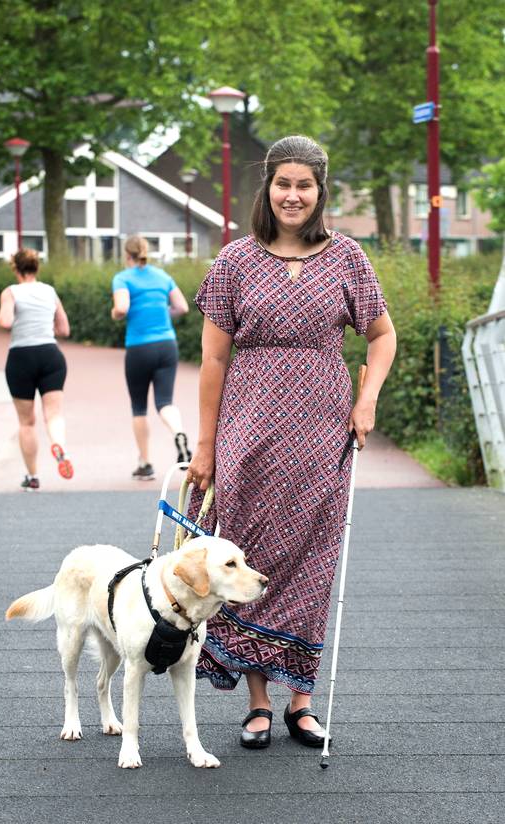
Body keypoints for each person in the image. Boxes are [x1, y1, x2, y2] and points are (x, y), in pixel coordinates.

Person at [186, 135, 397, 749]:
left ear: (320, 191)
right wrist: (206, 446)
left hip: (321, 431)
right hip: (247, 433)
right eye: (284, 183)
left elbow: (382, 337)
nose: (293, 195)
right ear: (268, 188)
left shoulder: (348, 258)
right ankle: (256, 702)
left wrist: (368, 399)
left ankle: (300, 703)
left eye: (305, 185)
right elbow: (212, 360)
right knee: (246, 560)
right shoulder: (233, 262)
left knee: (312, 561)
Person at [111, 235, 192, 479]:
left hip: (139, 347)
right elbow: (183, 307)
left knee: (139, 407)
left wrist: (115, 313)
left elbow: (122, 308)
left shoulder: (122, 278)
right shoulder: (162, 276)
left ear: (127, 255)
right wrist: (163, 312)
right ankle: (179, 433)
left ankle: (145, 463)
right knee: (165, 401)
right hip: (167, 345)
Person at [0, 248, 73, 490]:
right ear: (36, 268)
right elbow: (64, 330)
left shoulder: (11, 292)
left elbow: (5, 322)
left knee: (27, 422)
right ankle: (59, 445)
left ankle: (32, 477)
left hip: (21, 357)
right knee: (54, 414)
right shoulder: (49, 292)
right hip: (51, 355)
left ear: (16, 269)